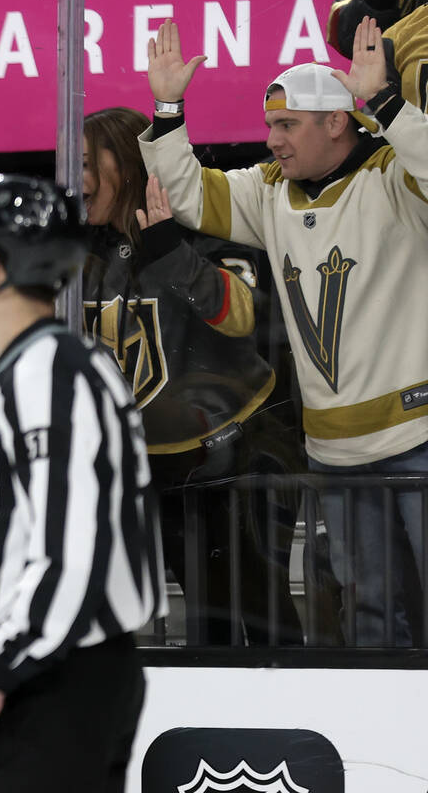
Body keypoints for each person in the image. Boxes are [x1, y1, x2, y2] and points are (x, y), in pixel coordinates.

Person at [139, 17, 428, 645]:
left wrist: (385, 102)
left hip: (417, 437)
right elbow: (190, 195)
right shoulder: (272, 192)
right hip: (333, 450)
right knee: (373, 619)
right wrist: (168, 111)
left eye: (286, 125)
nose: (271, 140)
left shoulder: (397, 180)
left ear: (335, 122)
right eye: (271, 126)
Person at [0, 174, 167, 791]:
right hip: (52, 668)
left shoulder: (50, 373)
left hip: (53, 676)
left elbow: (70, 552)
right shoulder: (39, 371)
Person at [82, 106, 304, 646]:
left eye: (88, 163)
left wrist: (169, 254)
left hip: (242, 452)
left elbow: (246, 317)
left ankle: (287, 720)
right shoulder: (83, 257)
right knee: (207, 626)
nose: (75, 180)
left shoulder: (198, 227)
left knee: (261, 615)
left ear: (130, 164)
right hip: (161, 464)